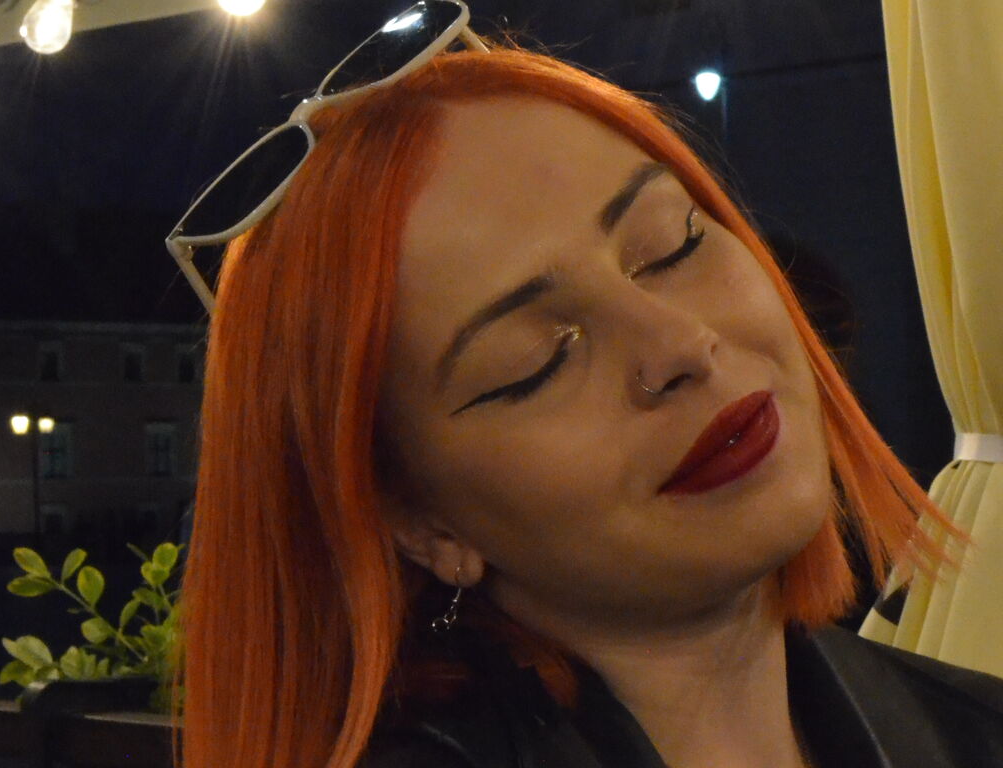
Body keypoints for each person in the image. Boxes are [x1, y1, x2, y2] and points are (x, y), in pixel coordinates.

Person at [165, 3, 1003, 767]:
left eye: (672, 245)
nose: (679, 344)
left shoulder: (968, 727)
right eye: (538, 360)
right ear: (419, 522)